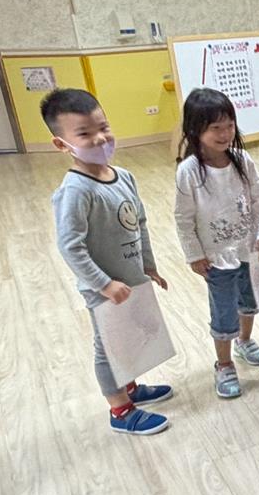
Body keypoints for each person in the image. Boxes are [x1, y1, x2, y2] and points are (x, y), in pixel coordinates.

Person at [45, 89, 172, 435]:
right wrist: (103, 284)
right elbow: (70, 246)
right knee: (107, 348)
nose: (100, 138)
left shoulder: (124, 176)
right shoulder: (75, 191)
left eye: (103, 127)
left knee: (128, 338)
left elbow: (139, 223)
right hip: (103, 289)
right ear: (62, 144)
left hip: (130, 279)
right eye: (85, 133)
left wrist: (148, 265)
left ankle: (129, 385)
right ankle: (120, 410)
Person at [174, 88, 259, 399]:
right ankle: (224, 363)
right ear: (195, 130)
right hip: (216, 258)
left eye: (229, 125)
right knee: (223, 311)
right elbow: (183, 218)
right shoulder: (189, 171)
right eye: (215, 127)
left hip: (248, 250)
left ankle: (244, 341)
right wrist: (194, 255)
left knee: (249, 301)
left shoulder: (243, 160)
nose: (224, 133)